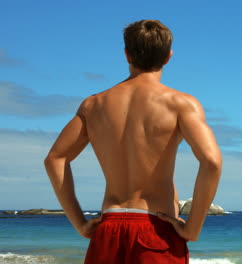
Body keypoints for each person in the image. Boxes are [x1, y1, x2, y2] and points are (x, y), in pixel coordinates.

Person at [44, 19, 222, 264]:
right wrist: (193, 228)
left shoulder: (94, 105)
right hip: (156, 229)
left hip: (109, 228)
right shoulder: (180, 104)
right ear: (168, 56)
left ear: (127, 55)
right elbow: (211, 162)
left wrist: (80, 224)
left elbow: (55, 159)